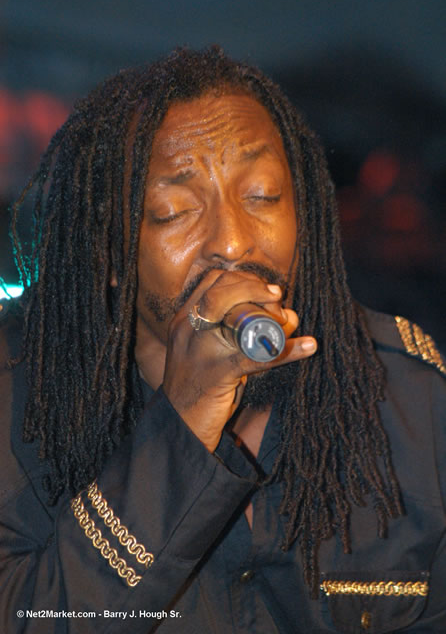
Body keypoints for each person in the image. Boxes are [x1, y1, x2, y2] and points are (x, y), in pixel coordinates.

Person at [0, 46, 445, 634]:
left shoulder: (409, 393)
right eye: (174, 210)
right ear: (108, 249)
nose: (233, 243)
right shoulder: (15, 407)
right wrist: (183, 422)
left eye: (262, 196)